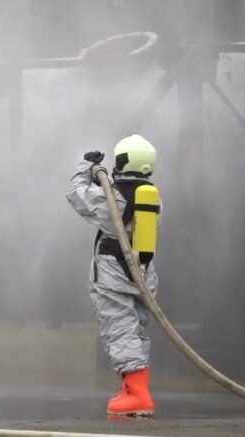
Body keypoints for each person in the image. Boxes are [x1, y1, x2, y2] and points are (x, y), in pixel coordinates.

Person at [66, 134, 160, 417]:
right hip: (142, 273)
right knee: (137, 330)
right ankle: (133, 388)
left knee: (120, 328)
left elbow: (77, 195)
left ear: (121, 161)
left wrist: (86, 168)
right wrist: (103, 181)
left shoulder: (114, 197)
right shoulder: (150, 196)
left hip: (114, 272)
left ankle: (137, 395)